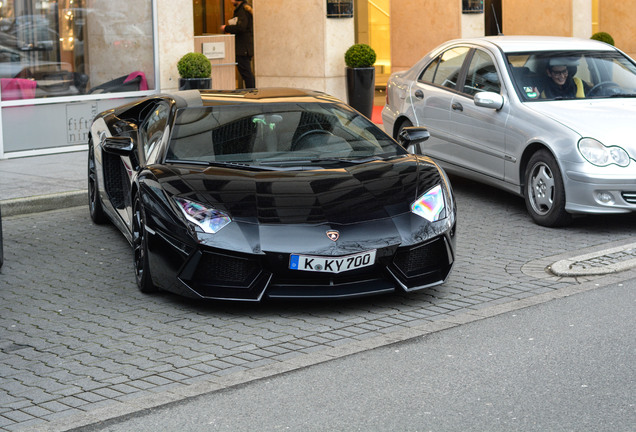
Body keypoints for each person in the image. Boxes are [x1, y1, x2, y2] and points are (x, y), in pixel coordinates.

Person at [221, 0, 255, 89]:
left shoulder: (242, 10)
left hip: (242, 47)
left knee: (246, 73)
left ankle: (252, 92)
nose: (231, 1)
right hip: (244, 47)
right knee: (246, 73)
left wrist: (226, 28)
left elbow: (241, 27)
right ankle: (251, 92)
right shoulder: (243, 9)